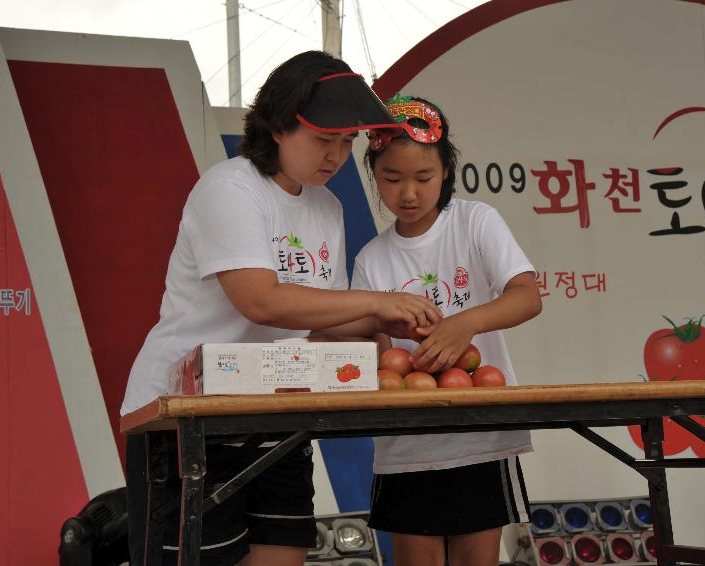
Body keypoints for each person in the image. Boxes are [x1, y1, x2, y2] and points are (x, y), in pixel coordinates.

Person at [120, 52, 442, 566]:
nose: (335, 157)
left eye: (346, 142)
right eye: (323, 140)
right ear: (276, 126)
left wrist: (390, 327)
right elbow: (261, 301)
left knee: (283, 555)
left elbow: (323, 318)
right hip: (186, 414)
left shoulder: (327, 207)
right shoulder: (230, 188)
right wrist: (377, 303)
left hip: (276, 411)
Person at [352, 94, 543, 566]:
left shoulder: (476, 222)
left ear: (446, 172)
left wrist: (466, 324)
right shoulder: (371, 259)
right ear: (375, 176)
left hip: (481, 435)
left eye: (424, 177)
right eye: (392, 179)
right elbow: (376, 351)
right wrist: (382, 347)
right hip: (406, 442)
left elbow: (527, 296)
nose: (409, 193)